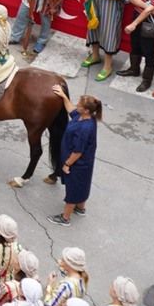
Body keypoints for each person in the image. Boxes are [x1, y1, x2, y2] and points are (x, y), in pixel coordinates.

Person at [49, 91, 99, 224]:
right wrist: (63, 96)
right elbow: (71, 109)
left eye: (80, 105)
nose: (77, 106)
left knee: (73, 189)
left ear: (86, 110)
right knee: (82, 185)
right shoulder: (84, 117)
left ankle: (65, 218)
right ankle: (80, 208)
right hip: (84, 163)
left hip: (77, 164)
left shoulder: (85, 128)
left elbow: (78, 151)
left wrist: (67, 164)